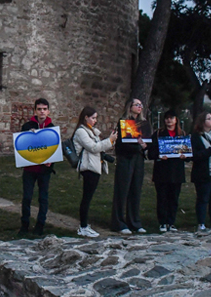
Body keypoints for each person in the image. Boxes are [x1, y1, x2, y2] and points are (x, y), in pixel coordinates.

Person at [72, 106, 117, 237]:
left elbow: (99, 147)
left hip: (95, 166)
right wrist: (110, 140)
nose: (95, 121)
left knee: (88, 197)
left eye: (96, 118)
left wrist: (110, 140)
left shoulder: (91, 131)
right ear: (86, 117)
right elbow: (93, 148)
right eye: (93, 118)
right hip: (88, 167)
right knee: (86, 197)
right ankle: (83, 227)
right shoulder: (81, 132)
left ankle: (85, 225)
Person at [111, 98, 149, 235]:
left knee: (135, 191)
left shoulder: (143, 124)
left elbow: (145, 144)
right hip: (125, 159)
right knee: (122, 191)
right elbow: (121, 145)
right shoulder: (123, 123)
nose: (139, 107)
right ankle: (119, 222)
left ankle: (135, 222)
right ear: (130, 107)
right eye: (136, 104)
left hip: (138, 160)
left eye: (141, 105)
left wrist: (144, 146)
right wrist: (138, 146)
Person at [19, 98, 55, 236]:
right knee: (27, 197)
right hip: (29, 168)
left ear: (48, 111)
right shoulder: (27, 126)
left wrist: (51, 162)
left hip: (44, 170)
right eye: (39, 109)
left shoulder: (51, 128)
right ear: (35, 111)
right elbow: (21, 146)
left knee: (43, 198)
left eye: (44, 109)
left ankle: (40, 224)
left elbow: (54, 149)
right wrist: (29, 135)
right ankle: (24, 224)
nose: (42, 112)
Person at [147, 110, 187, 232]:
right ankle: (162, 222)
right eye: (167, 118)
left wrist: (185, 156)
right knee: (162, 197)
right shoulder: (158, 134)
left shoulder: (182, 134)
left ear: (176, 120)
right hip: (162, 171)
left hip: (177, 171)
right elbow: (151, 153)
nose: (169, 120)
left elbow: (188, 153)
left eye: (171, 118)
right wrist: (159, 155)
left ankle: (171, 222)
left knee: (174, 198)